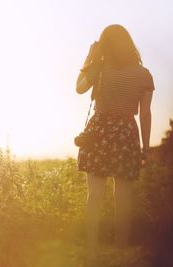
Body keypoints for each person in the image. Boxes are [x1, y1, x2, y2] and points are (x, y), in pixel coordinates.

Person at [75, 24, 154, 258]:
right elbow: (146, 114)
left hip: (98, 133)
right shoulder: (144, 74)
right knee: (123, 199)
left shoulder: (97, 68)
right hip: (126, 134)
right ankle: (120, 251)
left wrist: (90, 56)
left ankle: (91, 250)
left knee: (94, 197)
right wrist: (145, 149)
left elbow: (79, 89)